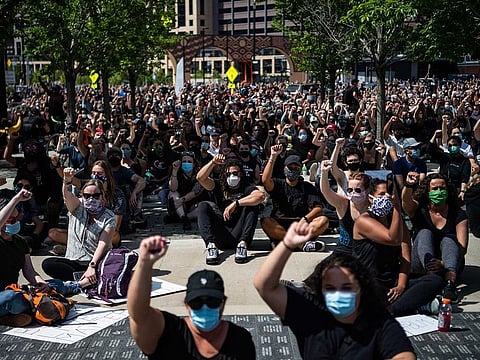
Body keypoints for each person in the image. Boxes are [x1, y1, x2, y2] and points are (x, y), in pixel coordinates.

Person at [253, 222, 416, 360]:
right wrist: (287, 244)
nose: (338, 294)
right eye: (330, 288)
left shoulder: (378, 322)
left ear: (360, 287)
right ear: (320, 290)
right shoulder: (309, 313)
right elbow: (264, 286)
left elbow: (404, 356)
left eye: (346, 287)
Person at [128, 235, 256, 359]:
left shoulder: (240, 340)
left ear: (223, 303)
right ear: (186, 304)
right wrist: (145, 264)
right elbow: (139, 313)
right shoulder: (169, 333)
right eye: (197, 302)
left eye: (212, 301)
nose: (204, 307)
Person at [352, 178, 443, 316]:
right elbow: (393, 239)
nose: (387, 197)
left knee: (435, 280)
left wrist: (400, 286)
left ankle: (395, 309)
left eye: (389, 193)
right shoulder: (364, 221)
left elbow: (405, 256)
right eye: (381, 194)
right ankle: (404, 307)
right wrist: (397, 208)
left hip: (392, 280)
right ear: (371, 199)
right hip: (370, 282)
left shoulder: (397, 222)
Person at [42, 170, 115, 293]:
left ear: (102, 196)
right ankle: (85, 281)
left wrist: (92, 266)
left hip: (96, 261)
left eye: (95, 195)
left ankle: (85, 280)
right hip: (74, 261)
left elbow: (103, 243)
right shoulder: (77, 208)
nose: (91, 199)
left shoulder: (109, 217)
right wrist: (67, 180)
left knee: (107, 269)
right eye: (87, 195)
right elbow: (67, 196)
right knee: (48, 264)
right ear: (82, 196)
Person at [402, 172, 468, 302]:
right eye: (435, 189)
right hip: (422, 262)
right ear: (427, 192)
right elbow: (406, 202)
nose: (439, 191)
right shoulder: (419, 209)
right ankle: (431, 280)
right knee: (424, 232)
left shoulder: (458, 214)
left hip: (448, 263)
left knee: (449, 238)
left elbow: (462, 248)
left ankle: (450, 284)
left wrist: (443, 264)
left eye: (442, 188)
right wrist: (409, 185)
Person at [196, 154, 265, 264]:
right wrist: (213, 162)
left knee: (253, 205)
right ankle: (211, 246)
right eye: (228, 174)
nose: (232, 176)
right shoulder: (219, 185)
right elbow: (200, 178)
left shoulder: (246, 187)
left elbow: (260, 196)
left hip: (239, 234)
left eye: (235, 173)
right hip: (221, 234)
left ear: (240, 174)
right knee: (203, 205)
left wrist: (236, 203)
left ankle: (243, 246)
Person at [261, 148, 329, 251]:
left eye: (296, 168)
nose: (293, 170)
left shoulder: (307, 187)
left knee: (323, 221)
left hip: (302, 225)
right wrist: (273, 157)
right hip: (281, 225)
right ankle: (301, 244)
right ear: (284, 169)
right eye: (290, 167)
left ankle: (288, 243)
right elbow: (265, 180)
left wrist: (305, 219)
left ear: (300, 170)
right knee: (265, 221)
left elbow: (318, 208)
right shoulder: (278, 184)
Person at [0, 189, 50, 327]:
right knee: (11, 299)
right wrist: (16, 199)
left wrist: (40, 283)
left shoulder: (20, 242)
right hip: (6, 297)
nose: (14, 222)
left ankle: (13, 314)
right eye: (9, 219)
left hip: (12, 291)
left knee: (54, 285)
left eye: (16, 218)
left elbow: (29, 271)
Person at [319, 160, 371, 254]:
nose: (353, 193)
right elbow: (326, 191)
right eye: (350, 190)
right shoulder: (343, 204)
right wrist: (324, 172)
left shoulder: (373, 207)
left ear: (367, 190)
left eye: (358, 190)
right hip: (344, 250)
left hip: (365, 251)